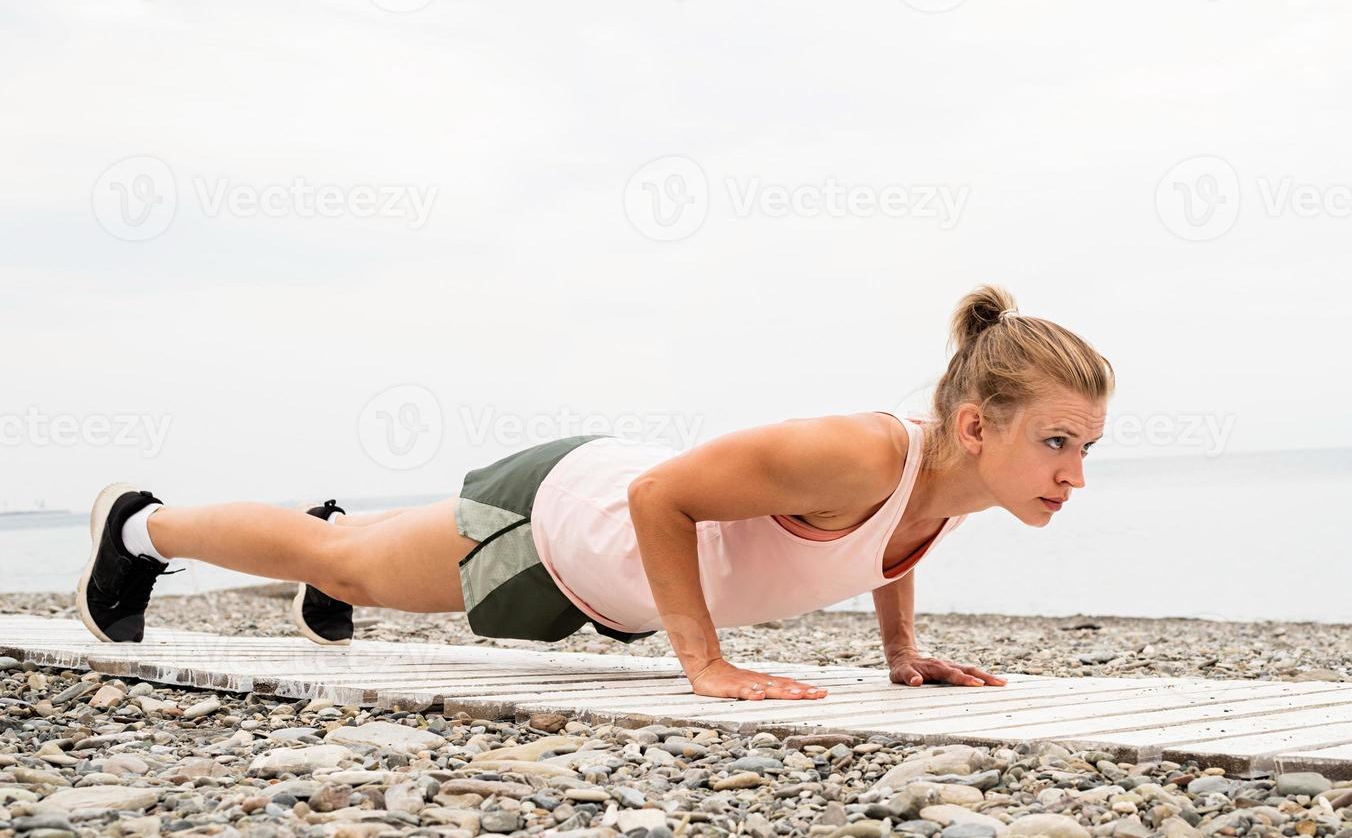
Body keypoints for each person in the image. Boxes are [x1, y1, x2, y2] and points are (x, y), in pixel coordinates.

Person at [74, 284, 1113, 701]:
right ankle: (138, 524)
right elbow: (663, 495)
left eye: (1087, 446)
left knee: (364, 552)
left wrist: (900, 653)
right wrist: (701, 662)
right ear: (976, 425)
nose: (1073, 471)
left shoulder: (958, 486)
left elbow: (892, 542)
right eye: (1057, 441)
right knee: (339, 556)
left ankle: (338, 566)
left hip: (602, 557)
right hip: (568, 523)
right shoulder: (855, 451)